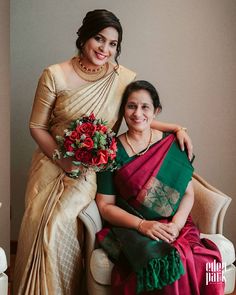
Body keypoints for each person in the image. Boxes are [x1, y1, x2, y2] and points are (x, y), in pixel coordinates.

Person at [14, 9, 193, 295]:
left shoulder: (121, 78)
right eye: (99, 39)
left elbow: (137, 113)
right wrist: (64, 162)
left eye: (113, 44)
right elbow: (36, 126)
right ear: (84, 37)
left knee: (60, 225)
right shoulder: (54, 74)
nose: (105, 49)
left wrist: (176, 127)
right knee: (38, 222)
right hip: (53, 161)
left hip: (90, 170)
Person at [96, 80, 224, 295]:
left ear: (156, 111)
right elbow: (105, 205)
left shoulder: (173, 144)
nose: (138, 113)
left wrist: (176, 224)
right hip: (131, 228)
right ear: (123, 110)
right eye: (131, 106)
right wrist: (142, 225)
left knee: (200, 260)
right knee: (160, 263)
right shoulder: (110, 152)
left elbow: (188, 193)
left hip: (176, 225)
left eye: (145, 107)